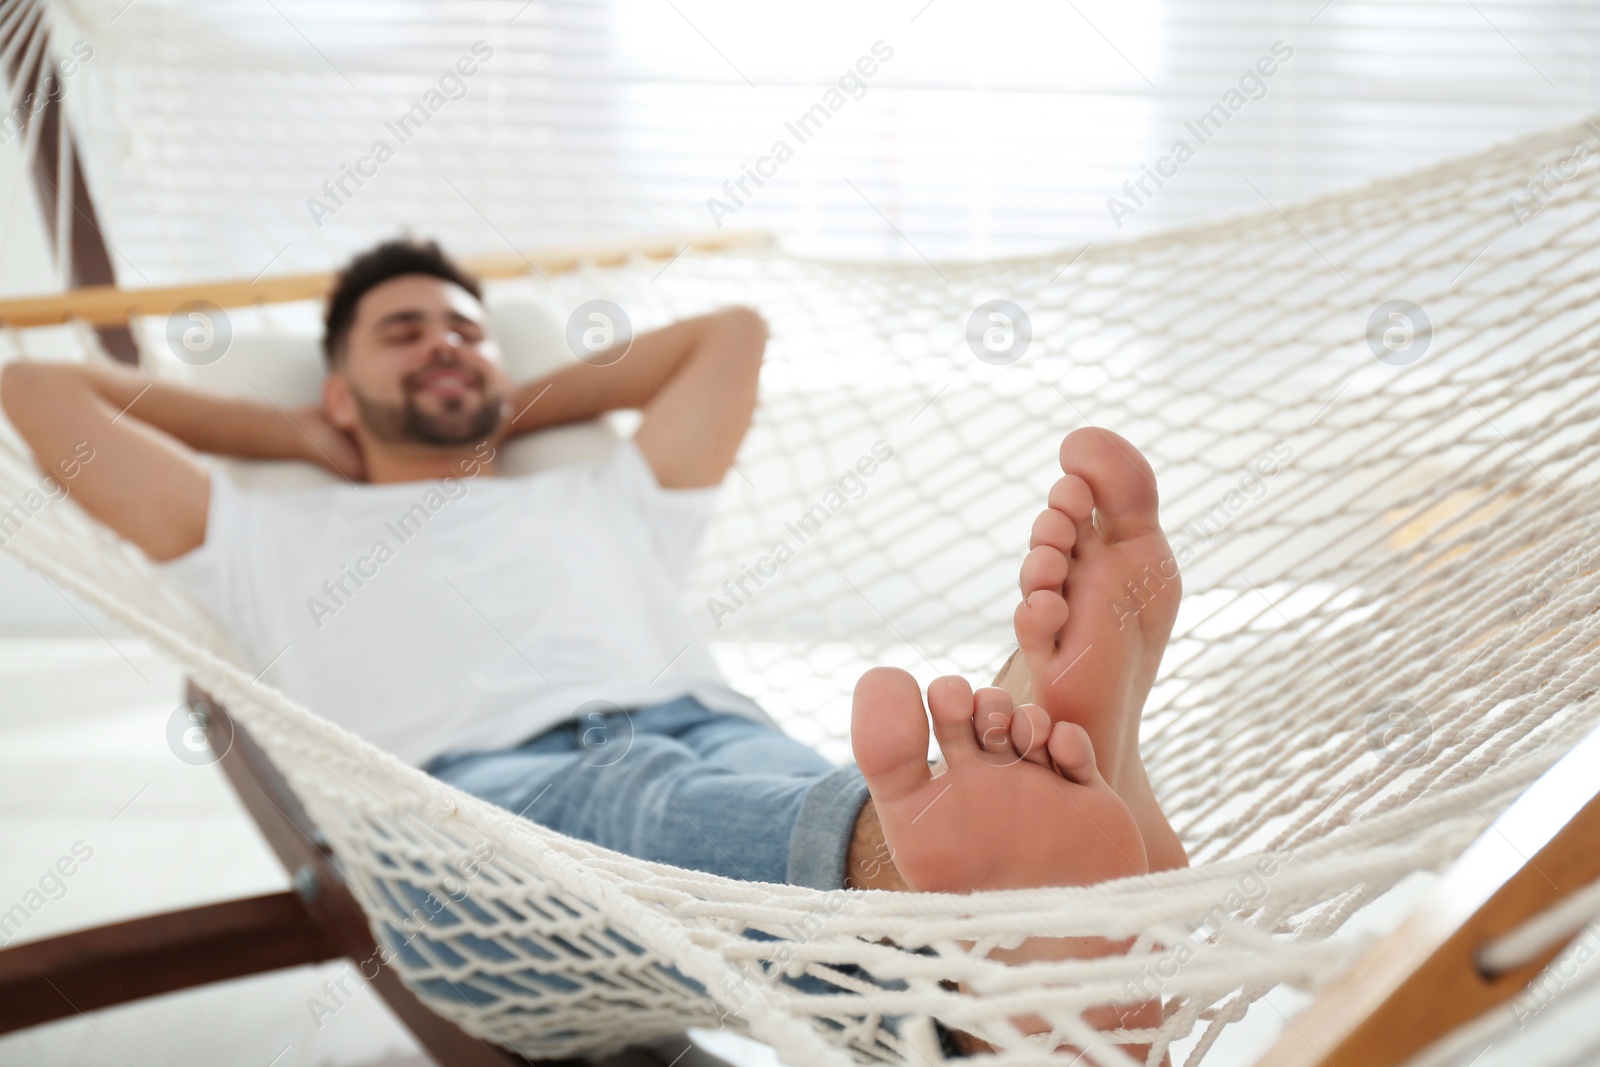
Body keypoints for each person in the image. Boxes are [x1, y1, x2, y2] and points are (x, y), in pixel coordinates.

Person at [0, 238, 1187, 1053]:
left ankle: (986, 928)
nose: (446, 344)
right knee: (652, 799)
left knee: (775, 792)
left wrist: (497, 399)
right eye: (402, 332)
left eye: (467, 329)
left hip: (721, 741)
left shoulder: (600, 490)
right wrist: (300, 435)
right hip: (467, 815)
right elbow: (37, 390)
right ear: (338, 391)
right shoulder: (254, 526)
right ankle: (1001, 878)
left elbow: (729, 331)